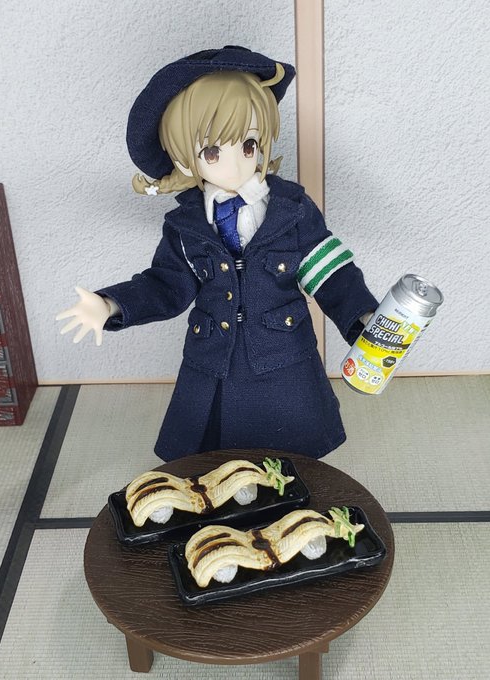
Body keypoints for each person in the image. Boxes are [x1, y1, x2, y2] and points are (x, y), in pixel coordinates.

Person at [56, 45, 378, 461]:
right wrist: (112, 304)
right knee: (214, 455)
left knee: (294, 454)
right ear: (184, 158)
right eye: (212, 152)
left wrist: (364, 319)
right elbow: (166, 285)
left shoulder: (292, 210)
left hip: (284, 357)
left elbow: (330, 272)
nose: (236, 164)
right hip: (213, 362)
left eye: (249, 145)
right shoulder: (186, 225)